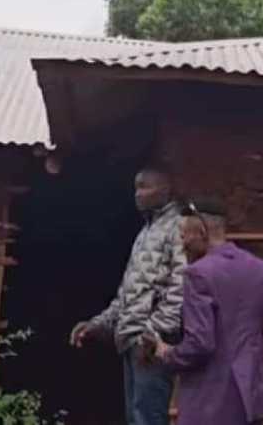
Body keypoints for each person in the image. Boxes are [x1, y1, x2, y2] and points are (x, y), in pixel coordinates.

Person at [69, 165, 186, 425]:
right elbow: (127, 293)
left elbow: (182, 287)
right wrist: (98, 324)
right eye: (136, 188)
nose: (138, 194)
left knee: (148, 417)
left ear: (166, 190)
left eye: (145, 187)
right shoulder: (145, 233)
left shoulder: (178, 228)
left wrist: (154, 334)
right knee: (136, 417)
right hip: (131, 339)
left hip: (150, 343)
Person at [149, 198, 263, 425]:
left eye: (184, 234)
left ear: (201, 231)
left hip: (211, 402)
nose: (182, 242)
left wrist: (167, 353)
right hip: (249, 395)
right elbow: (259, 327)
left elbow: (200, 344)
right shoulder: (259, 268)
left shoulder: (198, 274)